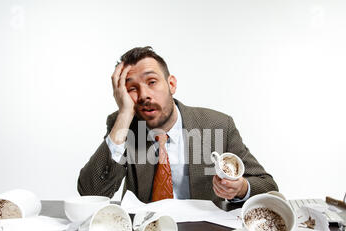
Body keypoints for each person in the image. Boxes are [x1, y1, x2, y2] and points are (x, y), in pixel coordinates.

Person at [78, 46, 278, 206]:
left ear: (171, 84)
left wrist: (241, 188)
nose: (144, 95)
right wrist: (123, 116)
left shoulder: (218, 125)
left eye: (152, 82)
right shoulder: (124, 127)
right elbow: (90, 193)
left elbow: (268, 185)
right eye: (132, 88)